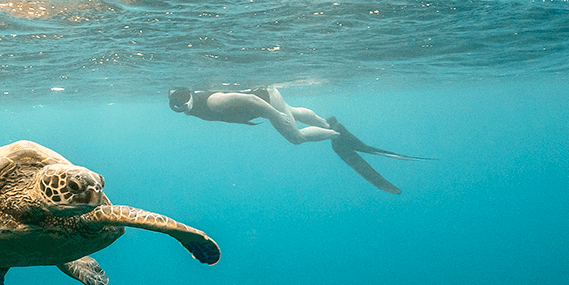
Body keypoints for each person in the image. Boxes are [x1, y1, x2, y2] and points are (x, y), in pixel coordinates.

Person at [168, 86, 432, 194]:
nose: (181, 108)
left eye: (183, 102)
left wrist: (273, 114)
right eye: (176, 107)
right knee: (293, 111)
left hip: (264, 102)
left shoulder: (211, 102)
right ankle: (328, 123)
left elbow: (249, 100)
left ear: (189, 95)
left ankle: (339, 136)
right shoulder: (195, 105)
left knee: (295, 137)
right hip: (268, 96)